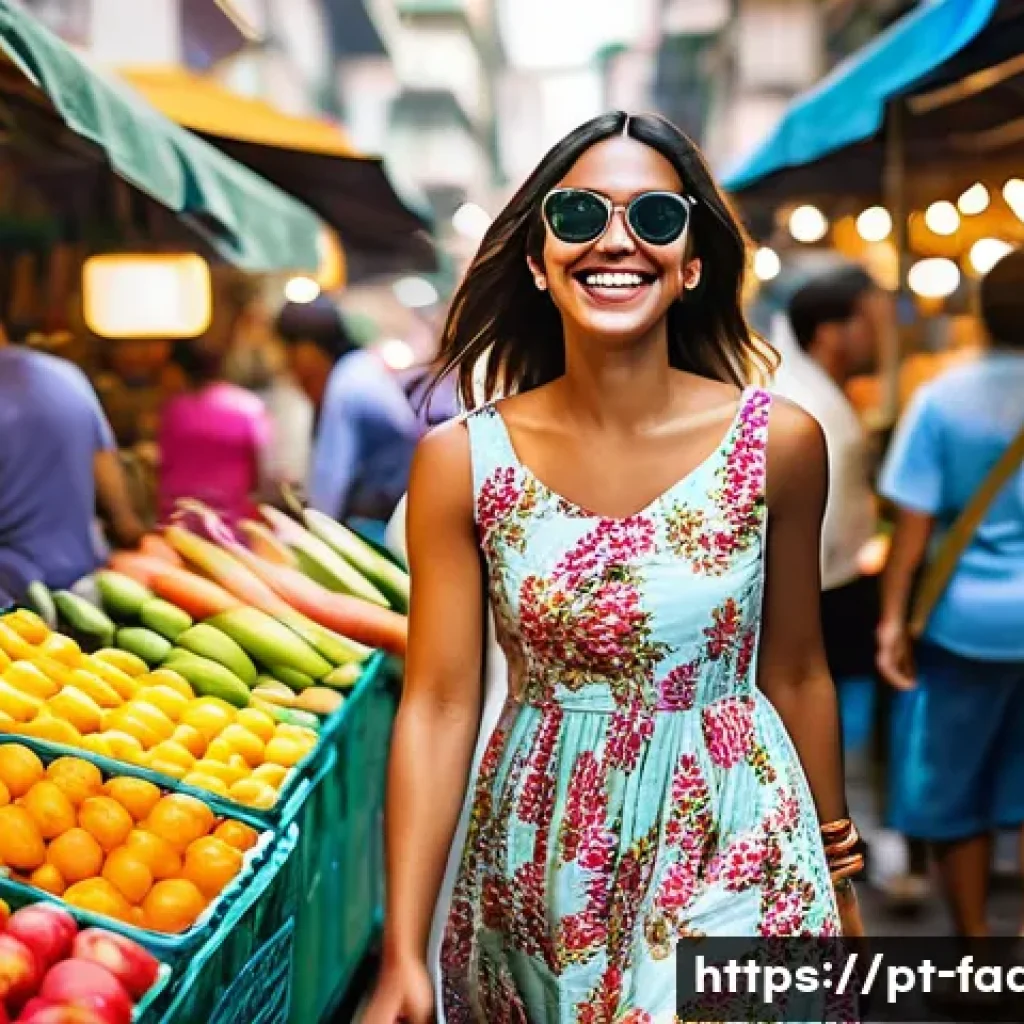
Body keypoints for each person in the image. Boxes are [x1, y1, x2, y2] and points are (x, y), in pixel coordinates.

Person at [365, 111, 861, 1024]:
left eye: (656, 219)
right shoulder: (458, 461)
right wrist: (402, 952)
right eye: (579, 214)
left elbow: (795, 670)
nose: (617, 241)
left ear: (694, 262)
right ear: (536, 257)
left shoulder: (780, 442)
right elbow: (437, 702)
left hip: (739, 839)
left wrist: (839, 870)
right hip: (539, 862)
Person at [877, 247, 1024, 938]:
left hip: (964, 626)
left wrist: (891, 622)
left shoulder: (941, 397)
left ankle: (977, 947)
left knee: (957, 792)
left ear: (981, 314)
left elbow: (913, 526)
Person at [0, 326, 143, 601]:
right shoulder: (68, 376)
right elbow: (110, 482)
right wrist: (131, 532)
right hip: (83, 591)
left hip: (11, 603)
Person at [276, 298, 420, 544]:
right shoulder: (360, 367)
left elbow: (332, 474)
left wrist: (313, 539)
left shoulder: (346, 384)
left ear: (307, 349)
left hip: (386, 519)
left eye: (289, 353)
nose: (288, 366)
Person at [157, 339, 272, 527]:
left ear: (177, 370)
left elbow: (164, 466)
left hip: (180, 521)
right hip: (233, 522)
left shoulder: (175, 411)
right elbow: (262, 470)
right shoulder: (249, 407)